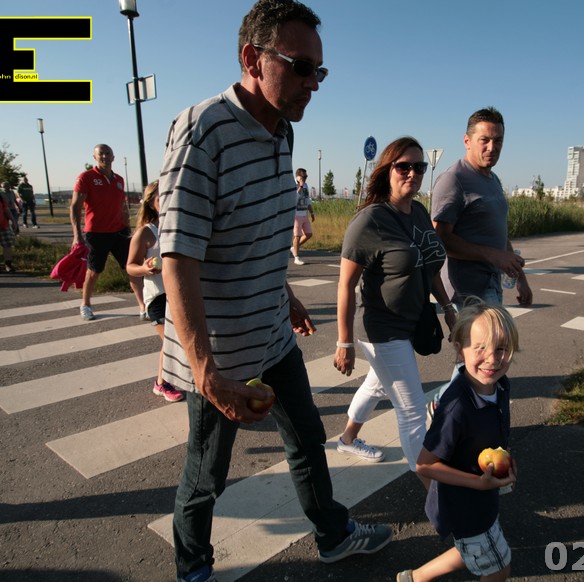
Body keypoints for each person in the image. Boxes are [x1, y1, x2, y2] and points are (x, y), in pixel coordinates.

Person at [157, 2, 392, 580]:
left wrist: (283, 292)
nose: (314, 83)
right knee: (207, 474)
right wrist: (206, 372)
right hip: (220, 353)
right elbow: (177, 258)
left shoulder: (282, 131)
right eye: (301, 67)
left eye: (320, 71)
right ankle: (193, 568)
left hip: (272, 334)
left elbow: (255, 230)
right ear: (252, 58)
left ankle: (332, 535)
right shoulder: (202, 130)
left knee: (308, 438)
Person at [332, 137, 456, 482]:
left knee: (376, 386)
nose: (412, 173)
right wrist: (344, 342)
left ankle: (347, 439)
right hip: (382, 328)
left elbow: (430, 268)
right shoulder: (370, 220)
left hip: (411, 322)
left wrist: (447, 306)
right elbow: (345, 285)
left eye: (419, 167)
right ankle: (434, 492)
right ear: (387, 170)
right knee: (412, 411)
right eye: (404, 166)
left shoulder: (419, 212)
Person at [398, 298, 519, 582]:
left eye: (501, 349)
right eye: (480, 348)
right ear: (459, 348)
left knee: (473, 548)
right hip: (464, 505)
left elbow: (496, 433)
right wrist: (479, 483)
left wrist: (506, 460)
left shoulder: (500, 385)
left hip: (483, 497)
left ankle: (415, 578)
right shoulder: (457, 407)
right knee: (499, 569)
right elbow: (425, 465)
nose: (492, 359)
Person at [431, 107, 532, 308]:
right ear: (467, 141)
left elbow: (499, 234)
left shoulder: (493, 180)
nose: (492, 147)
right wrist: (493, 255)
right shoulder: (453, 179)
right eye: (484, 140)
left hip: (492, 286)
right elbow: (440, 239)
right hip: (467, 295)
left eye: (498, 140)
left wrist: (520, 278)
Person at [70, 144, 145, 321]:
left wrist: (129, 228)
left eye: (107, 153)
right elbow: (75, 207)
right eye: (101, 154)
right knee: (94, 270)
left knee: (132, 268)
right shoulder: (86, 177)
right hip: (96, 232)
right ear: (95, 157)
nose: (104, 156)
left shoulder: (119, 179)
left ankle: (143, 306)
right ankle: (85, 304)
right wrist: (77, 235)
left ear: (113, 157)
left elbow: (122, 206)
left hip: (120, 232)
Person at [126, 180, 184, 403]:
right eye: (162, 198)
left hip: (178, 292)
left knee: (182, 338)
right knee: (170, 340)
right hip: (158, 296)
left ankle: (177, 379)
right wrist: (145, 268)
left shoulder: (179, 227)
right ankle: (161, 383)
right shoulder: (146, 233)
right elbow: (130, 266)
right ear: (151, 203)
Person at [291, 167, 315, 265]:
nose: (305, 178)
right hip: (296, 215)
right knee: (297, 236)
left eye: (306, 176)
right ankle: (296, 257)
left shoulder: (306, 185)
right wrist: (300, 186)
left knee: (308, 234)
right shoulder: (293, 184)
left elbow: (307, 199)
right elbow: (294, 198)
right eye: (304, 176)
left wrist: (311, 212)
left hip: (304, 213)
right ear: (298, 177)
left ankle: (294, 248)